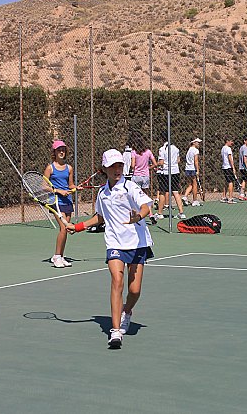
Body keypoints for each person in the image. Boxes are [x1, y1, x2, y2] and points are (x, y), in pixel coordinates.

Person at [66, 149, 154, 349]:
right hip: (114, 242)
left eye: (120, 165)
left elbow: (146, 207)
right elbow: (100, 217)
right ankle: (115, 332)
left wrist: (138, 217)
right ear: (104, 169)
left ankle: (127, 311)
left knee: (135, 290)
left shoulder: (130, 187)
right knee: (117, 280)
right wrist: (79, 227)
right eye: (113, 166)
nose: (117, 169)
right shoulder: (102, 193)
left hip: (137, 242)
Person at [44, 140, 76, 268]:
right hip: (55, 202)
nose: (61, 152)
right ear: (55, 153)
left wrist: (74, 188)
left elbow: (70, 185)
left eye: (63, 149)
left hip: (67, 201)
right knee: (63, 228)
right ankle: (57, 256)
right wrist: (58, 191)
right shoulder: (50, 168)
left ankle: (60, 256)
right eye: (59, 150)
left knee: (67, 229)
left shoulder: (69, 168)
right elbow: (44, 186)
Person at [154, 138, 185, 220]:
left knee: (162, 192)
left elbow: (161, 162)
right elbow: (178, 160)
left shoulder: (162, 149)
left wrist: (154, 166)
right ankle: (181, 213)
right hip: (175, 172)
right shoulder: (176, 148)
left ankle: (160, 213)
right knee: (175, 191)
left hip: (166, 173)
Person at [131, 135, 158, 222]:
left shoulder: (134, 152)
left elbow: (132, 165)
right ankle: (150, 214)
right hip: (145, 177)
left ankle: (137, 214)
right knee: (145, 196)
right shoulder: (148, 152)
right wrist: (147, 168)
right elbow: (155, 164)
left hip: (136, 176)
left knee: (135, 196)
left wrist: (134, 167)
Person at [182, 138, 202, 206]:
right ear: (194, 143)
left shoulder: (189, 150)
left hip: (187, 169)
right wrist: (197, 170)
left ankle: (184, 197)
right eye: (198, 142)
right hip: (192, 169)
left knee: (190, 184)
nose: (199, 144)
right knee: (195, 184)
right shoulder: (196, 150)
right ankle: (195, 201)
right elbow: (196, 161)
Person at [220, 137, 237, 204]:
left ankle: (224, 197)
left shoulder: (223, 148)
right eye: (231, 141)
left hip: (224, 167)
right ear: (227, 141)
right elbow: (230, 158)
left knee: (226, 182)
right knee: (231, 182)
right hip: (228, 167)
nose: (232, 143)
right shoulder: (228, 149)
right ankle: (230, 198)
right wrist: (233, 168)